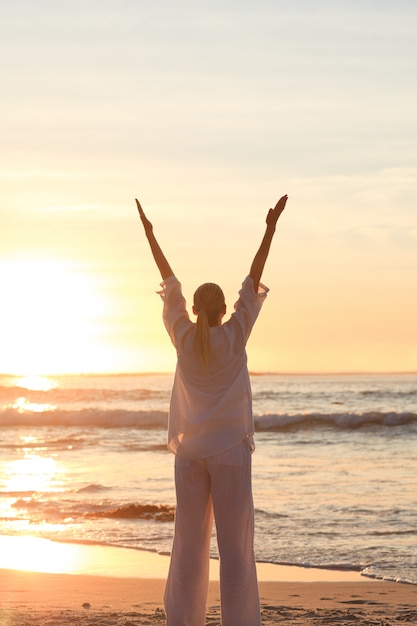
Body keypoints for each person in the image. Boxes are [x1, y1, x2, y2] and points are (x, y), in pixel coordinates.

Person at [136, 194, 288, 626]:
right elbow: (252, 281)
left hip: (190, 455)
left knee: (188, 545)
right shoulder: (235, 334)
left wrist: (150, 235)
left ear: (197, 310)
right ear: (223, 310)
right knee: (236, 550)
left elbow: (169, 283)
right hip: (230, 454)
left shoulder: (183, 336)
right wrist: (269, 229)